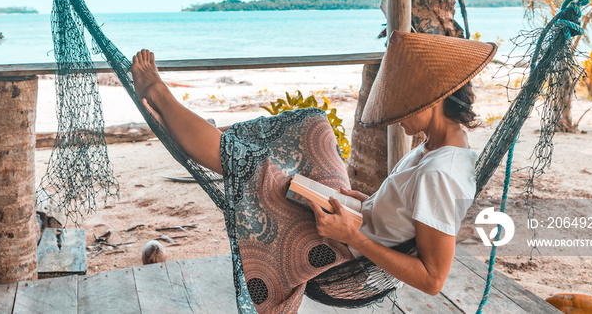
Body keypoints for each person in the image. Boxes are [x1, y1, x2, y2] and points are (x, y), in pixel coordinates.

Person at [130, 30, 496, 311]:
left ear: (430, 98)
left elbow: (433, 279)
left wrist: (352, 236)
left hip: (343, 251)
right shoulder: (440, 143)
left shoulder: (442, 174)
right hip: (352, 214)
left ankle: (166, 102)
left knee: (257, 171)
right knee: (312, 124)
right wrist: (364, 201)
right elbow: (408, 210)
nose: (395, 116)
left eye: (401, 106)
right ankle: (202, 134)